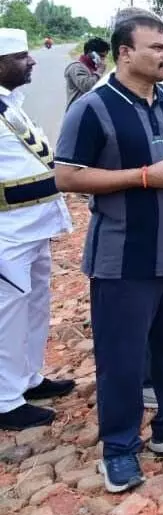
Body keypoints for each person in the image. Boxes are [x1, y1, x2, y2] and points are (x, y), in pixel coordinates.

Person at [55, 12, 163, 493]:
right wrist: (143, 177)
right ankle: (119, 447)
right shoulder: (93, 108)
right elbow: (67, 175)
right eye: (156, 48)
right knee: (122, 354)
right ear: (124, 53)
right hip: (122, 252)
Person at [0, 28, 75, 431]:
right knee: (6, 315)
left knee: (33, 307)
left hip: (34, 227)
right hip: (6, 233)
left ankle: (27, 379)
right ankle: (4, 399)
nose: (31, 62)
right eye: (20, 57)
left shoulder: (13, 105)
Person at [65, 37, 111, 107]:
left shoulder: (93, 67)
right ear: (91, 53)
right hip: (77, 112)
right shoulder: (76, 67)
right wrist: (99, 71)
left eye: (104, 57)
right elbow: (88, 87)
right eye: (101, 56)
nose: (103, 59)